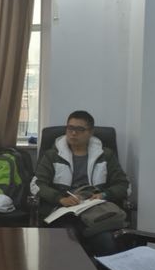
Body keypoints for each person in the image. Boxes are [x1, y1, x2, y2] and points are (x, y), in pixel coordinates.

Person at [31, 110, 130, 256]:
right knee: (68, 240)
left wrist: (104, 195)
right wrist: (60, 198)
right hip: (64, 211)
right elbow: (37, 184)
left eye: (79, 129)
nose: (73, 133)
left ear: (90, 132)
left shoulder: (105, 155)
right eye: (70, 128)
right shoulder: (52, 155)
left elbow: (123, 184)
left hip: (95, 212)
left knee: (107, 243)